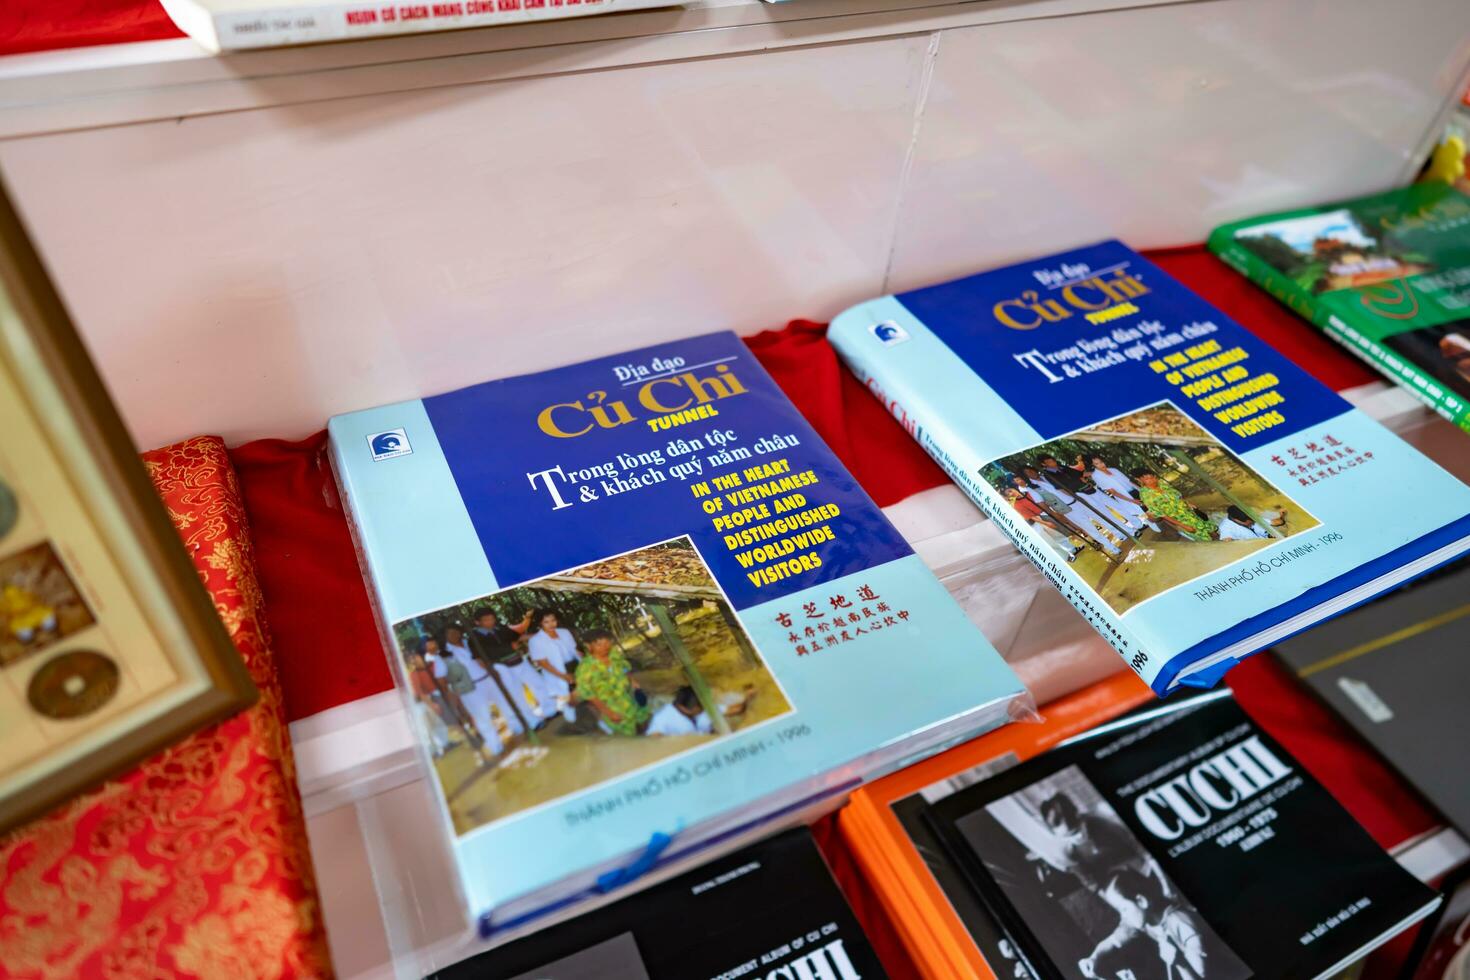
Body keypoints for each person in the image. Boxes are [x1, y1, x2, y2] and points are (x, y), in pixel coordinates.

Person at [1081, 869, 1209, 980]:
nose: (1122, 916)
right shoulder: (1143, 919)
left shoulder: (1181, 923)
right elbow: (1113, 941)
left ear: (1141, 901)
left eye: (1123, 909)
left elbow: (1206, 976)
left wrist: (1180, 964)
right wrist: (1093, 958)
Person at [467, 606, 547, 729]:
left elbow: (517, 637)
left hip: (518, 660)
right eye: (486, 620)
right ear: (478, 622)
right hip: (500, 667)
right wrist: (491, 670)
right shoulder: (474, 638)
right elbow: (478, 658)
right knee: (517, 695)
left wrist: (539, 635)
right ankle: (532, 721)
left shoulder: (501, 629)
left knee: (538, 683)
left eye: (491, 618)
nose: (490, 622)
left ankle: (550, 709)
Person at [424, 636, 502, 761]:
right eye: (429, 646)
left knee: (480, 716)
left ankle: (491, 741)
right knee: (480, 717)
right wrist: (450, 694)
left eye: (434, 644)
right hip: (463, 690)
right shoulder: (434, 660)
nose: (432, 648)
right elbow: (441, 679)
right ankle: (494, 745)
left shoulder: (454, 649)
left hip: (478, 683)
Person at [573, 629, 649, 736]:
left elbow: (624, 668)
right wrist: (609, 713)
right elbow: (589, 694)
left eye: (607, 642)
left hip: (629, 699)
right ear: (588, 646)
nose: (605, 647)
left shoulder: (614, 655)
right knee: (628, 737)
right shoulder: (585, 668)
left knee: (644, 724)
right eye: (599, 645)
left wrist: (632, 681)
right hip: (612, 707)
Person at [1080, 454, 1160, 535]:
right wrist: (1131, 500)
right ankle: (1152, 522)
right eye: (1097, 464)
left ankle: (1156, 521)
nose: (1101, 464)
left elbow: (1129, 481)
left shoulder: (1113, 470)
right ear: (1093, 466)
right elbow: (1113, 492)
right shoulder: (1097, 476)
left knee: (1153, 507)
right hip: (1126, 497)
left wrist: (1141, 490)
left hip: (1134, 491)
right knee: (1147, 511)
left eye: (1101, 462)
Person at [1132, 470, 1217, 541]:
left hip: (1189, 512)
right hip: (1180, 520)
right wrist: (1182, 525)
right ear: (1140, 480)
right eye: (1147, 479)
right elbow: (1161, 514)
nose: (1152, 480)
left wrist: (1188, 503)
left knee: (1211, 529)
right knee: (1204, 538)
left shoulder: (1161, 484)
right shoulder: (1146, 495)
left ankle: (1218, 537)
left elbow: (1177, 495)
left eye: (1152, 477)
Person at [527, 609, 579, 724]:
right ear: (540, 623)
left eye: (553, 620)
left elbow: (575, 650)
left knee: (583, 693)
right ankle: (574, 723)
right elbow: (543, 663)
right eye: (546, 622)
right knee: (568, 700)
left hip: (574, 665)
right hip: (557, 672)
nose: (551, 624)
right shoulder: (535, 641)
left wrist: (584, 663)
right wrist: (562, 675)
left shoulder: (564, 632)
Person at [646, 684, 755, 736]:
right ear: (684, 707)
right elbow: (653, 740)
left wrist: (748, 698)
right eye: (700, 707)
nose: (704, 709)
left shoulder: (705, 708)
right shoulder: (662, 717)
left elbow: (737, 709)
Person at [1007, 487, 1080, 562]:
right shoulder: (1017, 505)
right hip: (1039, 519)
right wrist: (1046, 523)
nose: (1011, 493)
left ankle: (1073, 549)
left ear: (1014, 488)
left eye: (1010, 491)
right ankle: (1068, 555)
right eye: (1009, 494)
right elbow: (1031, 516)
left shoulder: (1029, 492)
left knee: (1061, 532)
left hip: (1048, 512)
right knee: (1054, 538)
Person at [406, 650, 451, 757]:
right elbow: (419, 693)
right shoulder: (413, 674)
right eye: (413, 659)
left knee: (437, 724)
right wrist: (432, 704)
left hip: (423, 702)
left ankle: (444, 745)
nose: (415, 660)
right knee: (429, 728)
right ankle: (434, 752)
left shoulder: (416, 672)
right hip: (419, 704)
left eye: (416, 657)